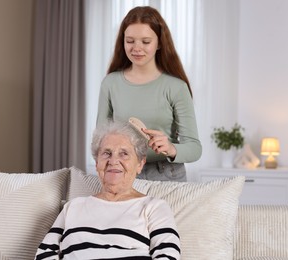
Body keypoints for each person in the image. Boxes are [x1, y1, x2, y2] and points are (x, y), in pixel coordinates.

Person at [34, 120, 181, 259]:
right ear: (97, 162)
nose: (113, 161)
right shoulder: (73, 207)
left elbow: (168, 255)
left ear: (140, 164)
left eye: (124, 153)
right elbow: (44, 254)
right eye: (106, 153)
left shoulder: (153, 207)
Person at [96, 6, 202, 182]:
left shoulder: (176, 87)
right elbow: (100, 140)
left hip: (166, 174)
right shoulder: (110, 83)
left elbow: (194, 148)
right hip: (124, 172)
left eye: (145, 42)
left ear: (159, 43)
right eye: (130, 41)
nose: (137, 48)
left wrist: (170, 148)